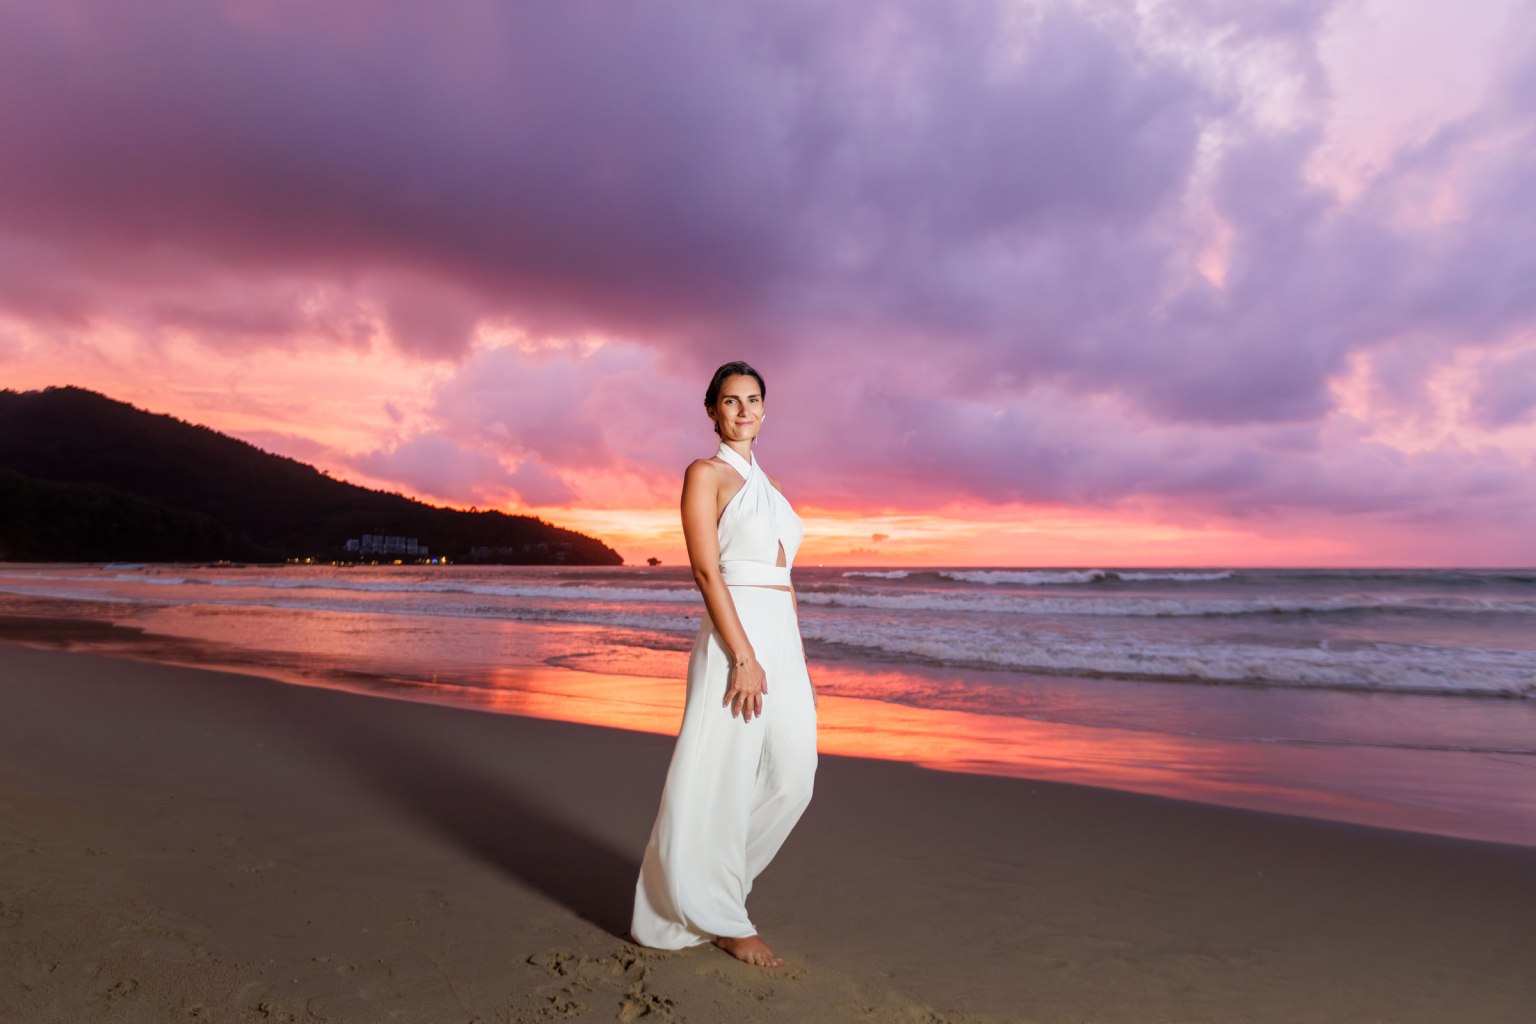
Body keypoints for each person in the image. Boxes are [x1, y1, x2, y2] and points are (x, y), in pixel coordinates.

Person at [631, 360, 818, 969]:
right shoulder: (705, 474)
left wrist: (790, 653)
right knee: (722, 774)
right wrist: (742, 655)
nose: (744, 410)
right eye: (731, 400)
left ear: (766, 409)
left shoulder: (777, 487)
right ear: (712, 409)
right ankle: (722, 918)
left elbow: (784, 579)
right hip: (735, 640)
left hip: (782, 643)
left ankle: (717, 885)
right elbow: (707, 570)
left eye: (754, 399)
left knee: (795, 775)